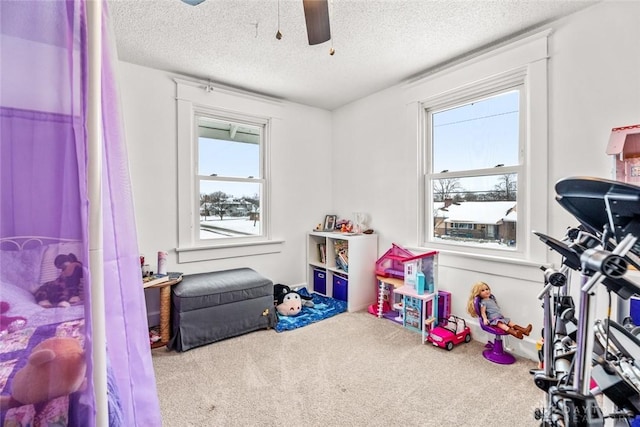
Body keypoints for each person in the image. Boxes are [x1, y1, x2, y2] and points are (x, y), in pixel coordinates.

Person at [466, 281, 532, 339]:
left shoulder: (491, 299)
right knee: (500, 324)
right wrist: (485, 319)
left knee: (509, 322)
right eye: (482, 290)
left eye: (487, 289)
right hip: (493, 319)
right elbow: (483, 312)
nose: (486, 291)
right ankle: (514, 333)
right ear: (478, 293)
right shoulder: (483, 302)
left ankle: (524, 330)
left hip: (499, 316)